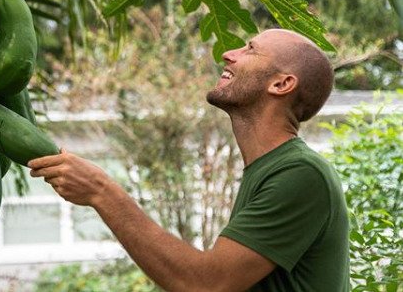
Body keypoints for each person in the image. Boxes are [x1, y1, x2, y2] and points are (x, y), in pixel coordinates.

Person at [28, 29, 350, 291]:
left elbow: (205, 284)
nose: (229, 53)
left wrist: (101, 190)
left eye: (250, 49)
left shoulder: (300, 173)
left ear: (281, 84)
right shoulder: (268, 169)